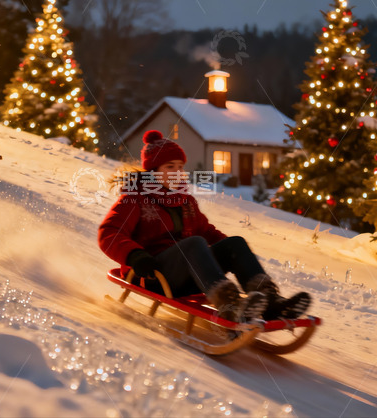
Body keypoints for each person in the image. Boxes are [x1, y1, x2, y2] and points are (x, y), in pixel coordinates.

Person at [98, 130, 311, 323]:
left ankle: (270, 302)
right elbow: (109, 232)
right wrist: (135, 256)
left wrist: (233, 253)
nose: (177, 172)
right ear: (153, 171)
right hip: (154, 275)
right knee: (194, 243)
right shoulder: (135, 198)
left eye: (180, 167)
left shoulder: (186, 201)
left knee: (234, 243)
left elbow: (208, 232)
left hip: (192, 275)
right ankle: (230, 305)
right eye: (169, 167)